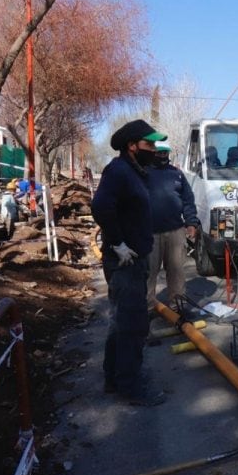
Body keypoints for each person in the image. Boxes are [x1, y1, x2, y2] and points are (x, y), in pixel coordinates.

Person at [91, 119, 167, 407]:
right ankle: (131, 386)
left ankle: (114, 377)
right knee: (132, 325)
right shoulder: (120, 171)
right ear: (132, 146)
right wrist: (117, 243)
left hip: (135, 258)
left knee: (121, 323)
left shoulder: (136, 171)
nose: (155, 149)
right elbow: (100, 206)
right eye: (149, 144)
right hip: (125, 262)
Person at [146, 141, 200, 315]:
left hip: (175, 230)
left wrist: (191, 223)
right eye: (159, 153)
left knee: (176, 271)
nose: (162, 156)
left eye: (165, 153)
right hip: (150, 232)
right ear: (153, 152)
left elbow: (188, 200)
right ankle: (147, 308)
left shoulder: (177, 174)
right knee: (149, 271)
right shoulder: (142, 172)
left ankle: (177, 306)